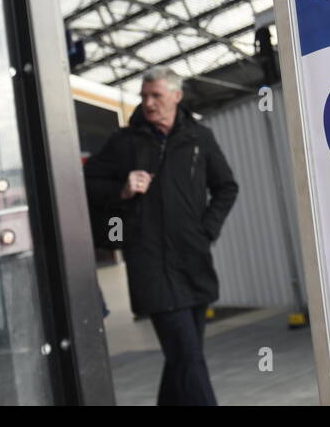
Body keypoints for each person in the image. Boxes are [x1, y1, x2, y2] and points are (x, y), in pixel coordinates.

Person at [84, 66, 239, 405]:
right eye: (144, 97)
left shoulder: (200, 138)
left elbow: (226, 187)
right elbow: (86, 183)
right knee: (189, 357)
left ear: (176, 96)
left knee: (182, 359)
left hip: (192, 261)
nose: (149, 103)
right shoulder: (124, 142)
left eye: (156, 95)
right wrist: (121, 189)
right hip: (150, 265)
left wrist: (207, 230)